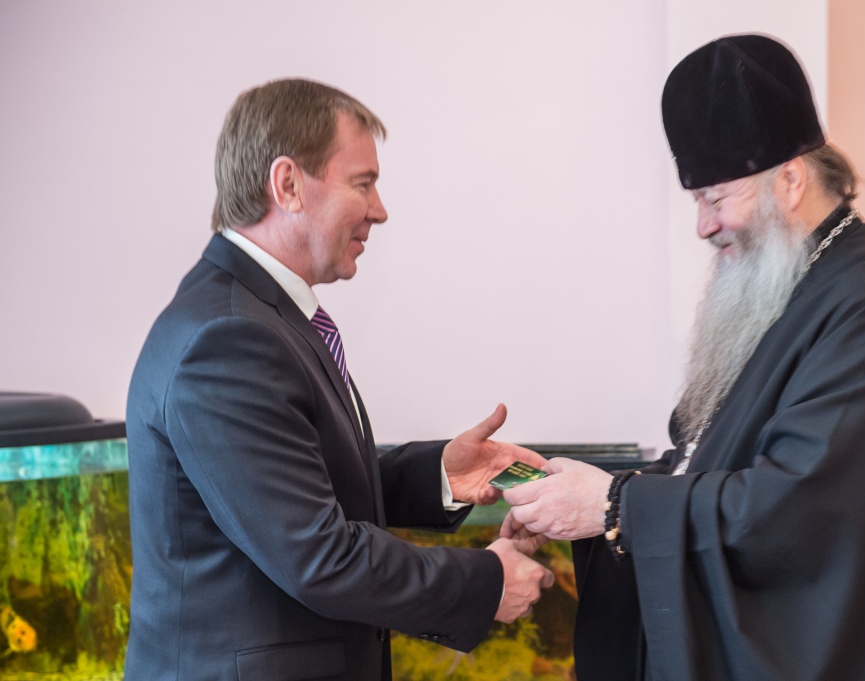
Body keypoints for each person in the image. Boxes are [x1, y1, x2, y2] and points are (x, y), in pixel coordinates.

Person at [502, 34, 865, 680]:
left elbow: (799, 512)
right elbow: (713, 461)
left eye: (715, 198)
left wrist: (616, 506)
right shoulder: (792, 287)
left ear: (791, 180)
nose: (703, 225)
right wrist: (581, 499)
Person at [125, 78, 553, 681]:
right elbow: (318, 557)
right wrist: (487, 582)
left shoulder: (251, 315)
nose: (379, 210)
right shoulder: (227, 338)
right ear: (288, 185)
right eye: (363, 183)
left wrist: (441, 475)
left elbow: (293, 480)